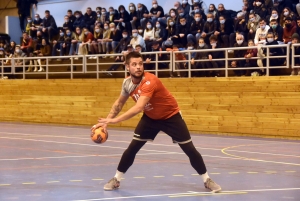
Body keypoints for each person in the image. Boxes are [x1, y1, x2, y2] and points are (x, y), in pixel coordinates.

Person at [91, 51, 222, 193]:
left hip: (171, 117)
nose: (138, 67)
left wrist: (114, 120)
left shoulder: (150, 81)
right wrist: (106, 122)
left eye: (140, 64)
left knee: (190, 150)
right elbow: (119, 104)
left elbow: (139, 107)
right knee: (132, 148)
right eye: (134, 64)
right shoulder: (127, 83)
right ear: (127, 66)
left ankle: (207, 180)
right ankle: (116, 179)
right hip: (151, 118)